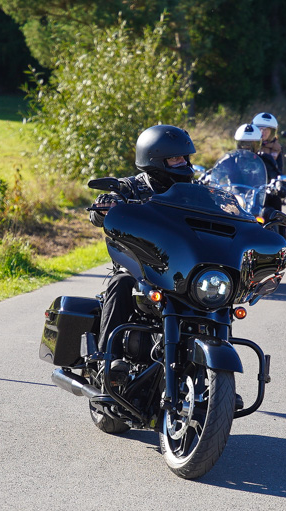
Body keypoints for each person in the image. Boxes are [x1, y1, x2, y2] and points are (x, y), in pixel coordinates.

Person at [89, 124, 196, 375]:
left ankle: (215, 372)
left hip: (181, 269)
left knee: (214, 297)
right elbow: (97, 216)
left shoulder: (193, 190)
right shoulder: (129, 187)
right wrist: (105, 207)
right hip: (140, 267)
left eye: (184, 157)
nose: (182, 162)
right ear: (155, 160)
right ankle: (108, 359)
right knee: (120, 284)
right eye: (175, 158)